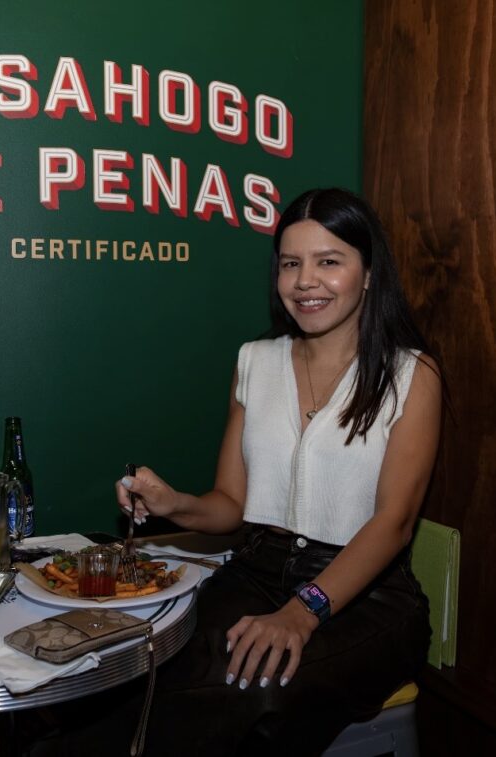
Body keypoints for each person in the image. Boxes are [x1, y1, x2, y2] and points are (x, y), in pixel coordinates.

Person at [106, 187, 443, 755]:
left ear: (368, 274)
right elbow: (232, 505)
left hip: (368, 595)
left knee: (253, 689)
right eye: (291, 264)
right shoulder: (254, 362)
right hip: (256, 571)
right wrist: (174, 504)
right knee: (147, 668)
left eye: (328, 261)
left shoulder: (411, 374)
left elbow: (394, 523)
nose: (305, 281)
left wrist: (302, 611)